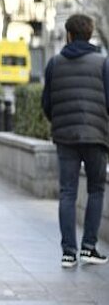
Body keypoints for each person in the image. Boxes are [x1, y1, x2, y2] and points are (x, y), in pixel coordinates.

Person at [42, 13, 109, 268]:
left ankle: (68, 252)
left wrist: (59, 123)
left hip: (65, 137)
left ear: (69, 35)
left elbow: (47, 104)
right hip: (96, 136)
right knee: (96, 189)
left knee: (67, 192)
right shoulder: (103, 64)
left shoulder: (54, 63)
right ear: (90, 34)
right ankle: (89, 247)